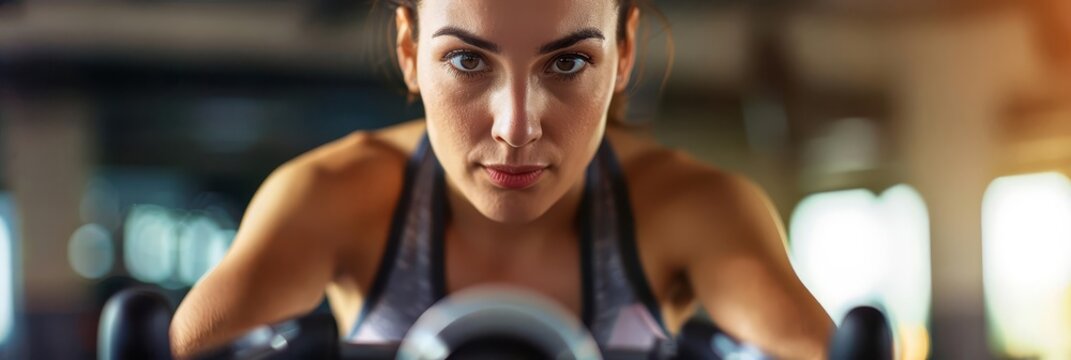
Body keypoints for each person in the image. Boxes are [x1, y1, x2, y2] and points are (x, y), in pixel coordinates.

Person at [169, 0, 834, 358]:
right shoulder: (331, 197)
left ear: (623, 52)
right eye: (466, 59)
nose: (516, 127)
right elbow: (173, 346)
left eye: (568, 63)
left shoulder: (694, 209)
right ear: (408, 49)